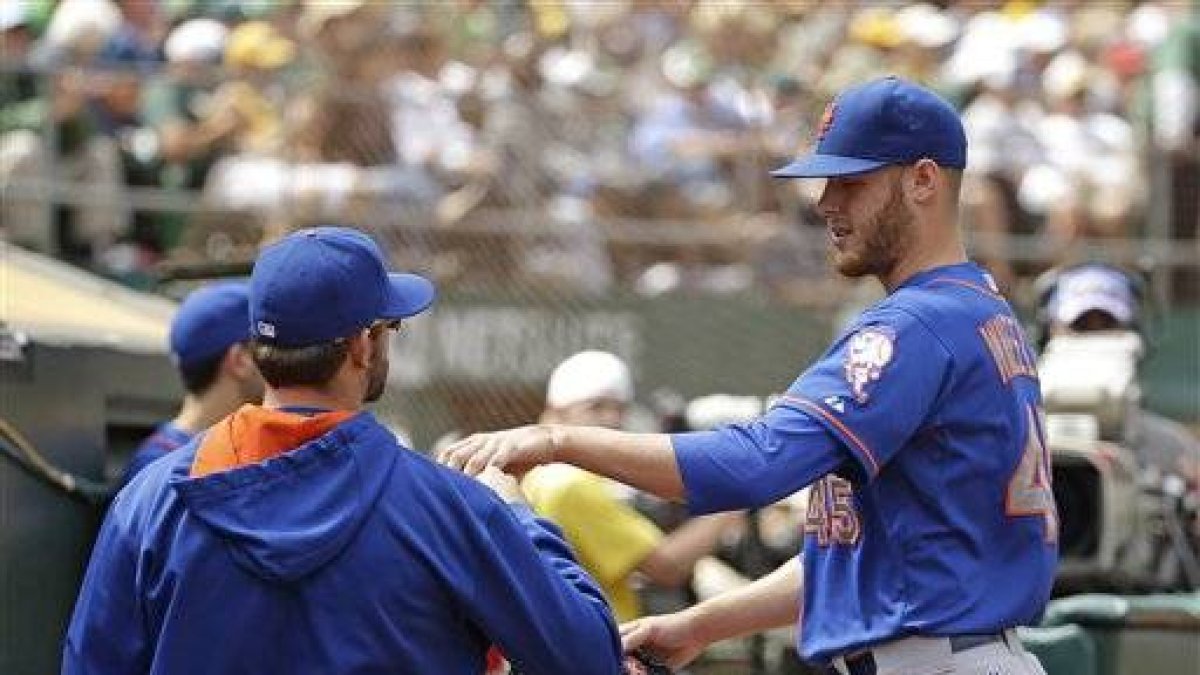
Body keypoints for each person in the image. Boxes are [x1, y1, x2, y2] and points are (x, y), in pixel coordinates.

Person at [441, 77, 1056, 675]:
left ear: (923, 180)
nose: (826, 202)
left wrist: (558, 441)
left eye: (852, 182)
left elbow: (757, 463)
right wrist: (701, 626)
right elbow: (855, 558)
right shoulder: (978, 312)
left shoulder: (918, 325)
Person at [65, 226, 623, 675]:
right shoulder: (452, 509)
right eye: (390, 327)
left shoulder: (151, 500)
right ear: (362, 345)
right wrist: (520, 516)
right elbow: (588, 657)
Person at [523, 350, 742, 623]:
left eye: (619, 409)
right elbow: (668, 567)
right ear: (555, 411)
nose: (612, 419)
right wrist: (736, 498)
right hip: (600, 637)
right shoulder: (570, 484)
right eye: (596, 407)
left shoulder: (539, 475)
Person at [119, 281, 263, 486]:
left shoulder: (168, 462)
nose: (275, 360)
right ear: (240, 361)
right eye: (267, 349)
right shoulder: (167, 473)